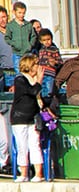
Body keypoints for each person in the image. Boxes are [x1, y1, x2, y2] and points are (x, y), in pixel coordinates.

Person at [11, 54, 45, 182]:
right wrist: (39, 81)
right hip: (19, 118)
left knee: (35, 145)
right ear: (29, 66)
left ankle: (38, 174)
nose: (38, 67)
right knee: (22, 146)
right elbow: (31, 91)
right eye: (36, 64)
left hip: (32, 118)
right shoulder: (20, 80)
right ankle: (24, 173)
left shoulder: (34, 81)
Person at [4, 1, 35, 70]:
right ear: (14, 12)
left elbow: (33, 36)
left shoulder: (28, 25)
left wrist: (30, 45)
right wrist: (15, 44)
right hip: (17, 53)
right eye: (19, 13)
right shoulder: (10, 25)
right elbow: (7, 38)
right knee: (18, 72)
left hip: (27, 53)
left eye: (23, 13)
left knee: (29, 70)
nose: (22, 15)